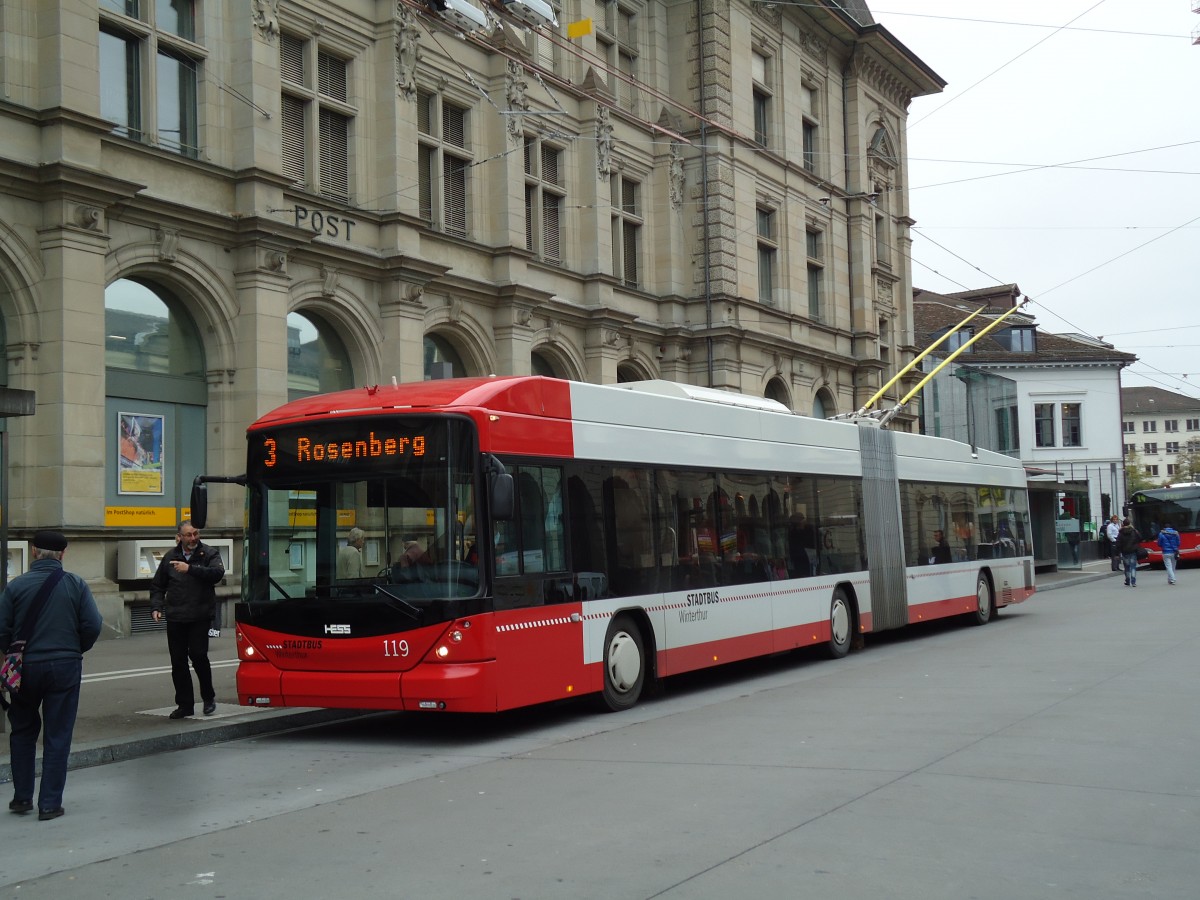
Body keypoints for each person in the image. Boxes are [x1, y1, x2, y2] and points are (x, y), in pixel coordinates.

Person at [1, 530, 102, 821]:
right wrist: (75, 649)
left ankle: (21, 798)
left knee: (21, 730)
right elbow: (92, 625)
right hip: (64, 665)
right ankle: (49, 803)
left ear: (33, 552)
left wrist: (9, 653)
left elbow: (1, 628)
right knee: (58, 735)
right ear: (63, 554)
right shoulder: (75, 584)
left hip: (24, 668)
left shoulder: (16, 586)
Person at [150, 520, 224, 719]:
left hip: (199, 615)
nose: (193, 538)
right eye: (188, 535)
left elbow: (217, 574)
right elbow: (158, 586)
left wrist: (190, 569)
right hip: (176, 616)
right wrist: (156, 607)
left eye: (195, 534)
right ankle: (185, 705)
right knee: (178, 662)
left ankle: (208, 697)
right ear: (179, 537)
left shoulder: (209, 553)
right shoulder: (170, 557)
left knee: (199, 656)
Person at [1116, 517, 1142, 588]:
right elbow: (1140, 538)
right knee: (1133, 566)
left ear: (1123, 524)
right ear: (1130, 523)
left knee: (1127, 567)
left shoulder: (1120, 532)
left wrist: (1118, 552)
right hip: (1133, 551)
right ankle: (1133, 582)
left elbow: (1118, 543)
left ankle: (1127, 580)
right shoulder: (1134, 531)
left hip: (1124, 552)